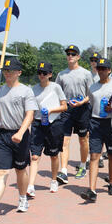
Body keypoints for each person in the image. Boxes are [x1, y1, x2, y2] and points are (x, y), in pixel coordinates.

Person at [0, 59, 38, 221]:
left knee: (20, 170)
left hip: (20, 136)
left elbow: (30, 115)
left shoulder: (26, 91)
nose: (7, 73)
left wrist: (21, 132)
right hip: (2, 136)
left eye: (11, 70)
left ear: (19, 72)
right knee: (2, 171)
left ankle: (23, 198)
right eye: (5, 70)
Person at [81, 58, 112, 202]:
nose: (101, 71)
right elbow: (91, 105)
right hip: (96, 123)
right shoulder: (92, 87)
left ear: (109, 70)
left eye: (104, 69)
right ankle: (92, 190)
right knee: (94, 156)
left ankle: (111, 182)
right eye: (99, 69)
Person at [28, 62, 68, 197]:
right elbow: (30, 109)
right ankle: (31, 185)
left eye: (44, 73)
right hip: (38, 125)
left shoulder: (56, 88)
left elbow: (64, 106)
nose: (41, 75)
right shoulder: (33, 90)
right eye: (39, 73)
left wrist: (51, 110)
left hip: (54, 124)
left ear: (50, 74)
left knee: (54, 155)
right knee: (34, 156)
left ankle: (53, 180)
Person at [55, 45, 93, 184]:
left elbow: (91, 94)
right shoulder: (61, 74)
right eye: (68, 53)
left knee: (83, 139)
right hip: (67, 110)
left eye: (73, 54)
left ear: (78, 57)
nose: (70, 56)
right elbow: (57, 93)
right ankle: (64, 171)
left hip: (82, 109)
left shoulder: (86, 74)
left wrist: (82, 101)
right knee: (64, 141)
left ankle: (83, 165)